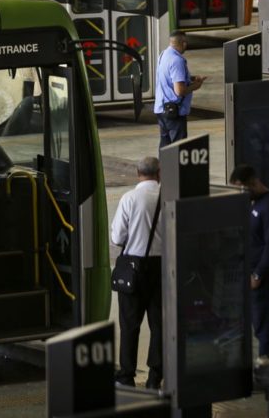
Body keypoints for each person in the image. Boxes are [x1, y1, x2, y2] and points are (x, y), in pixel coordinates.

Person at [110, 157, 163, 390]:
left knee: (130, 324)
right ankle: (155, 377)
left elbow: (117, 237)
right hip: (162, 268)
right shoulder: (168, 197)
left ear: (137, 173)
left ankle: (127, 375)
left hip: (134, 268)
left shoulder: (129, 198)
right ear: (159, 173)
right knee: (159, 324)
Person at [229, 164, 269, 358]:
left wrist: (258, 274)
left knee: (262, 325)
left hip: (260, 276)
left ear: (253, 183)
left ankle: (266, 366)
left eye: (241, 189)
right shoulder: (253, 203)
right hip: (247, 272)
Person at [154, 30, 206, 148]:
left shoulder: (163, 55)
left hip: (162, 110)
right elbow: (179, 91)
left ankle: (163, 167)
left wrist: (190, 78)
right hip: (174, 113)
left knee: (165, 147)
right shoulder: (177, 60)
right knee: (178, 149)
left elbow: (169, 77)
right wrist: (196, 86)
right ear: (183, 43)